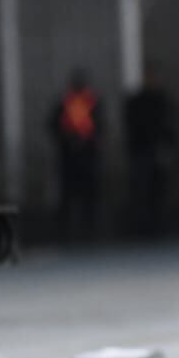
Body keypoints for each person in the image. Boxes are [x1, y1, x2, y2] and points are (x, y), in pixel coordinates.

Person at [123, 66, 177, 236]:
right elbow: (132, 126)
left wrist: (169, 147)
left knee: (159, 190)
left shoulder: (165, 101)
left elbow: (171, 126)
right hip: (142, 151)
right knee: (141, 191)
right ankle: (143, 227)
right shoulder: (137, 101)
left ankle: (160, 225)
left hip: (159, 151)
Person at [48, 69, 102, 238]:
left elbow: (100, 126)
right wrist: (68, 140)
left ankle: (89, 228)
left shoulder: (92, 102)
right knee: (67, 194)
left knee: (89, 193)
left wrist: (88, 141)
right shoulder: (65, 103)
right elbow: (53, 125)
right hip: (69, 155)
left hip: (87, 155)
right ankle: (64, 230)